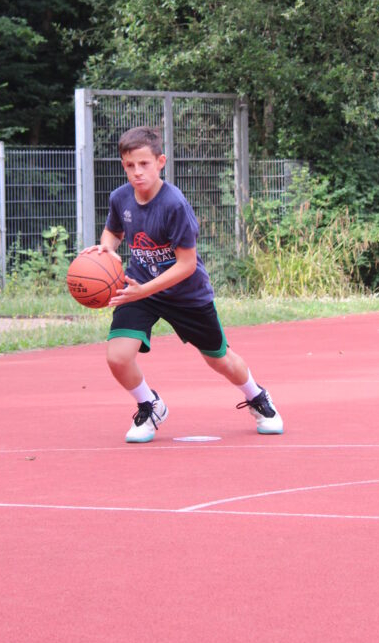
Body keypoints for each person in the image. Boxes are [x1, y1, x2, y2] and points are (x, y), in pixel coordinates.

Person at [83, 125, 284, 443]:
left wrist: (144, 290)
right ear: (123, 166)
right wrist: (106, 249)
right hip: (140, 287)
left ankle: (257, 396)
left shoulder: (174, 205)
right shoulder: (120, 198)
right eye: (130, 165)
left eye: (144, 164)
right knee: (117, 357)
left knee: (219, 359)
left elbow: (187, 265)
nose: (137, 172)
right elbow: (114, 231)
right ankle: (150, 405)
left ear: (160, 162)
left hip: (186, 294)